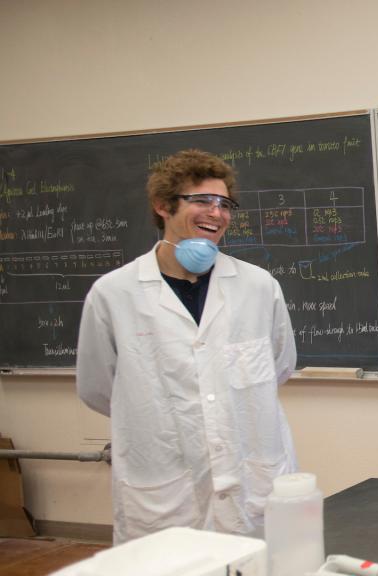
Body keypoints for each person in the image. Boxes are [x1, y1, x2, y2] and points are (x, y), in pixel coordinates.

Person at [77, 149, 297, 544]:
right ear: (163, 206)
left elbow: (280, 365)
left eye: (225, 204)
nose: (217, 213)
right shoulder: (114, 294)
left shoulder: (258, 287)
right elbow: (98, 388)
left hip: (250, 485)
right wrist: (166, 409)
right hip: (164, 489)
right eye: (203, 200)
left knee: (258, 575)